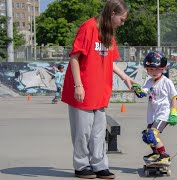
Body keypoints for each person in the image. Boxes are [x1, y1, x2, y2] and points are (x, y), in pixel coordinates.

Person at [61, 0, 135, 179]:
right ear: (112, 14)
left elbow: (110, 61)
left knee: (98, 132)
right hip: (83, 90)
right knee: (82, 132)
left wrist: (124, 76)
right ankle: (81, 166)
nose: (122, 23)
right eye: (122, 19)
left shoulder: (109, 33)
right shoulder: (88, 27)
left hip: (100, 90)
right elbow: (74, 58)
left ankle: (99, 165)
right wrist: (78, 85)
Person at [131, 51, 177, 164]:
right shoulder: (149, 81)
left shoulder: (166, 82)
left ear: (162, 68)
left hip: (164, 114)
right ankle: (156, 153)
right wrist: (138, 90)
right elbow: (144, 92)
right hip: (153, 115)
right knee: (146, 136)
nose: (153, 72)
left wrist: (173, 114)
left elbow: (174, 98)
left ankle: (164, 156)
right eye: (150, 69)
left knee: (152, 134)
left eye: (156, 69)